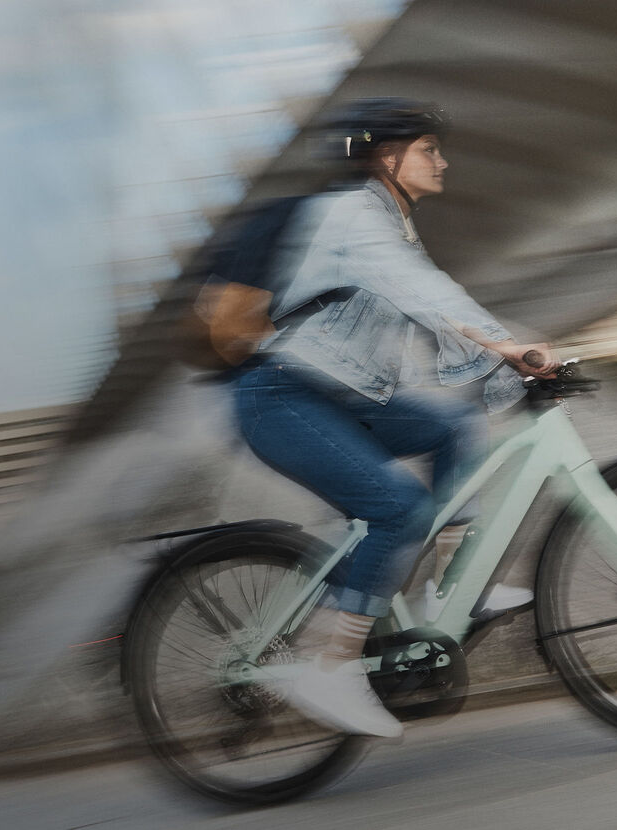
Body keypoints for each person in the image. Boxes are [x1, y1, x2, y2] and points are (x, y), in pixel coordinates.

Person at [233, 98, 558, 737]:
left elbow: (433, 316)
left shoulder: (388, 218)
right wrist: (510, 347)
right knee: (399, 507)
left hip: (331, 398)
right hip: (282, 397)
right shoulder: (353, 214)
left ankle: (448, 589)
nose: (442, 160)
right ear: (388, 156)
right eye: (428, 149)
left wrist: (504, 368)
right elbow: (426, 294)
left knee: (456, 426)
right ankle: (328, 663)